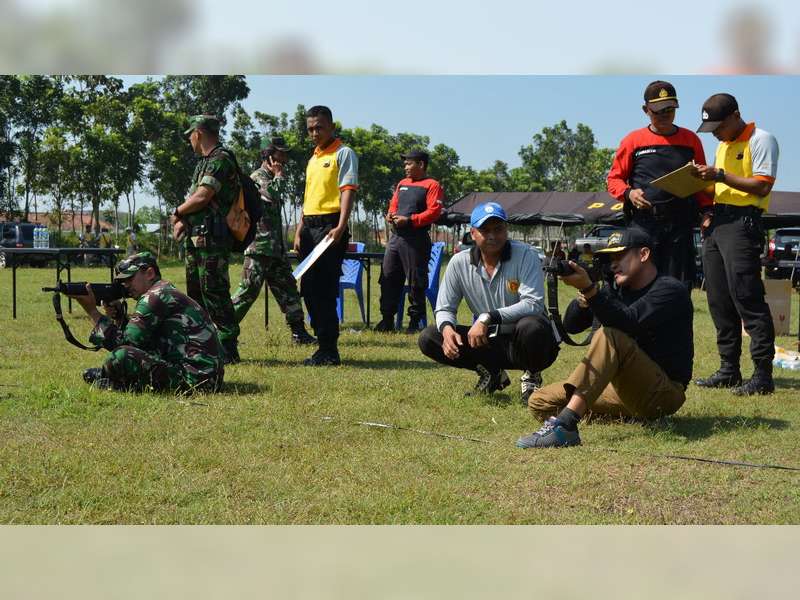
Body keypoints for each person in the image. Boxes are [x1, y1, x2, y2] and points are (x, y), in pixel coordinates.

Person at [517, 227, 693, 448]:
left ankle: (566, 425)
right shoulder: (615, 290)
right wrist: (585, 298)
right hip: (622, 390)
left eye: (620, 256)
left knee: (609, 335)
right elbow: (571, 326)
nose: (613, 264)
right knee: (539, 401)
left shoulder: (670, 290)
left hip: (663, 392)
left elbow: (628, 321)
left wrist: (591, 290)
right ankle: (631, 416)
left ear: (644, 254)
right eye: (611, 259)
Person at [418, 202, 557, 400]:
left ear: (506, 230)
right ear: (473, 233)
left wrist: (487, 318)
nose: (492, 236)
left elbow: (533, 304)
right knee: (429, 337)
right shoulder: (459, 262)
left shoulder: (526, 255)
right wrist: (447, 330)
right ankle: (492, 373)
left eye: (498, 229)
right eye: (485, 230)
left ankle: (532, 374)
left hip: (528, 342)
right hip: (489, 340)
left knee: (531, 326)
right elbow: (444, 308)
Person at [693, 93, 779, 395]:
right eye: (711, 129)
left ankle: (762, 375)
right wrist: (694, 180)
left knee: (747, 295)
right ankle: (729, 369)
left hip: (744, 223)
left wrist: (719, 174)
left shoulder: (761, 139)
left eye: (718, 126)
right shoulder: (724, 145)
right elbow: (720, 188)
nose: (715, 133)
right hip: (718, 221)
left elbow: (761, 186)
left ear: (735, 116)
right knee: (718, 298)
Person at [607, 80, 713, 287]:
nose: (665, 115)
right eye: (658, 111)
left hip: (680, 225)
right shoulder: (633, 140)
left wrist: (708, 210)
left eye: (669, 110)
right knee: (642, 283)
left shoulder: (691, 139)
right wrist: (629, 194)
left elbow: (701, 182)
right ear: (646, 110)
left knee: (678, 285)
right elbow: (613, 179)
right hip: (644, 225)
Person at [71, 252, 224, 392]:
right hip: (206, 377)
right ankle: (115, 379)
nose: (126, 285)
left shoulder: (154, 296)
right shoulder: (163, 290)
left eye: (130, 279)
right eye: (123, 281)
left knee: (120, 355)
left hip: (195, 380)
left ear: (150, 273)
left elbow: (125, 344)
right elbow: (141, 340)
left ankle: (117, 382)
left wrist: (92, 312)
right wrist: (119, 318)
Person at [170, 114, 241, 364]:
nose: (189, 140)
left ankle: (228, 347)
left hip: (213, 240)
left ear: (198, 133)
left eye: (190, 135)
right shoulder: (203, 163)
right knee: (196, 293)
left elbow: (202, 196)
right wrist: (184, 220)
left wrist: (177, 212)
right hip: (196, 238)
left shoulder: (221, 159)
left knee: (215, 291)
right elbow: (195, 200)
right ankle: (203, 344)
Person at [230, 137, 315, 344]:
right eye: (280, 154)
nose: (284, 159)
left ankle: (299, 333)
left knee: (288, 289)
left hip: (275, 249)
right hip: (259, 247)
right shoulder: (257, 177)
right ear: (268, 156)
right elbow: (271, 194)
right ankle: (222, 332)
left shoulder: (274, 177)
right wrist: (278, 175)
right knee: (248, 291)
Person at [293, 105, 358, 366]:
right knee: (308, 288)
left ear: (332, 126)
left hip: (329, 227)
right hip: (309, 228)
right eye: (310, 129)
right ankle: (322, 345)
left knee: (324, 288)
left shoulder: (344, 153)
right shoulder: (313, 159)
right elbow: (308, 197)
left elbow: (348, 190)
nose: (314, 133)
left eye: (319, 127)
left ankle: (329, 349)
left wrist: (341, 226)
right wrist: (299, 229)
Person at [374, 149, 444, 333]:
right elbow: (394, 204)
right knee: (388, 277)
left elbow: (434, 212)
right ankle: (387, 320)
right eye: (405, 164)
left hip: (416, 240)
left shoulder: (432, 185)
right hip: (395, 239)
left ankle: (414, 323)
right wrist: (390, 214)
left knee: (416, 282)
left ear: (421, 164)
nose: (405, 167)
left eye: (409, 163)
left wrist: (411, 220)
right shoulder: (402, 183)